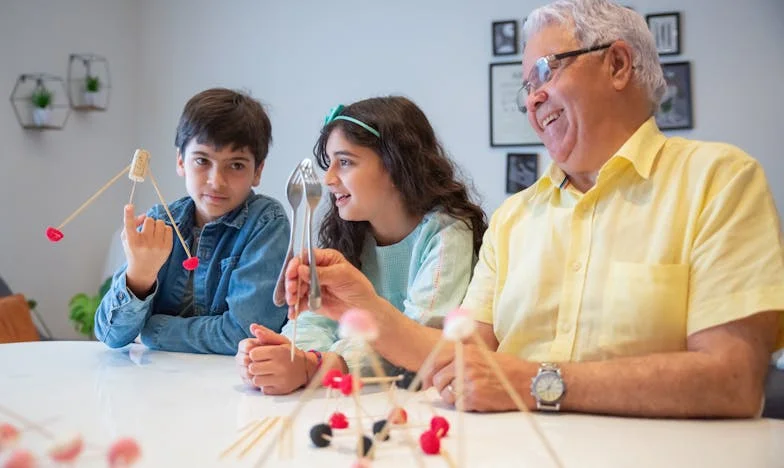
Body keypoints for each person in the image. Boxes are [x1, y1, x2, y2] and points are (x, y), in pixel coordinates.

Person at [283, 0, 784, 418]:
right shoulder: (513, 218)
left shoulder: (719, 180)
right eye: (527, 86)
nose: (532, 99)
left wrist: (540, 383)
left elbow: (732, 380)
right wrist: (364, 306)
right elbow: (463, 358)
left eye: (546, 70)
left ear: (617, 64)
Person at [236, 96, 487, 395]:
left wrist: (320, 365)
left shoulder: (447, 232)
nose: (328, 179)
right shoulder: (348, 235)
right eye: (328, 163)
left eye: (345, 162)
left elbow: (418, 336)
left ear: (397, 164)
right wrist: (284, 353)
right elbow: (316, 315)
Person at [94, 88, 290, 355]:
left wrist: (152, 331)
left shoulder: (265, 223)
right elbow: (110, 335)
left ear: (258, 171)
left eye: (236, 165)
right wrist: (139, 275)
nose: (216, 181)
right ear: (180, 161)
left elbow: (246, 334)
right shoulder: (161, 222)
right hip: (156, 383)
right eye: (202, 160)